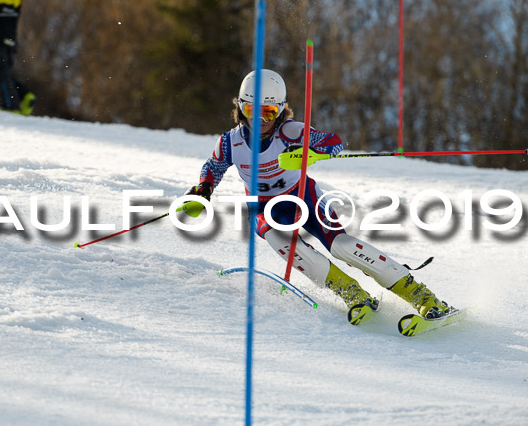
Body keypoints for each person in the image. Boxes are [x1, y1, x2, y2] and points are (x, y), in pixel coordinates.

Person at [187, 69, 452, 322]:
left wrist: (312, 153)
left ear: (280, 110)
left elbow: (333, 142)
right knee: (285, 245)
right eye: (251, 111)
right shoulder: (229, 142)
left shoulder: (291, 131)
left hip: (305, 198)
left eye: (268, 111)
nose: (261, 120)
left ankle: (421, 296)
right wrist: (203, 190)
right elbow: (214, 167)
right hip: (265, 208)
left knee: (341, 246)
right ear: (241, 108)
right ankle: (353, 294)